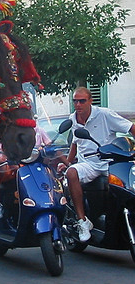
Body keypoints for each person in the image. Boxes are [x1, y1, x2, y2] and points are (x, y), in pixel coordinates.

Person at [57, 87, 135, 242]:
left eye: (82, 101)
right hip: (89, 164)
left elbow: (131, 128)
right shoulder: (73, 118)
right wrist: (69, 162)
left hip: (111, 162)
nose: (78, 104)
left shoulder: (105, 114)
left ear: (90, 101)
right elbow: (75, 143)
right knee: (71, 173)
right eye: (75, 101)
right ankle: (82, 221)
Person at [0, 118, 53, 220]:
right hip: (13, 166)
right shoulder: (7, 133)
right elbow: (1, 151)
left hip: (35, 168)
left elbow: (49, 147)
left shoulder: (39, 130)